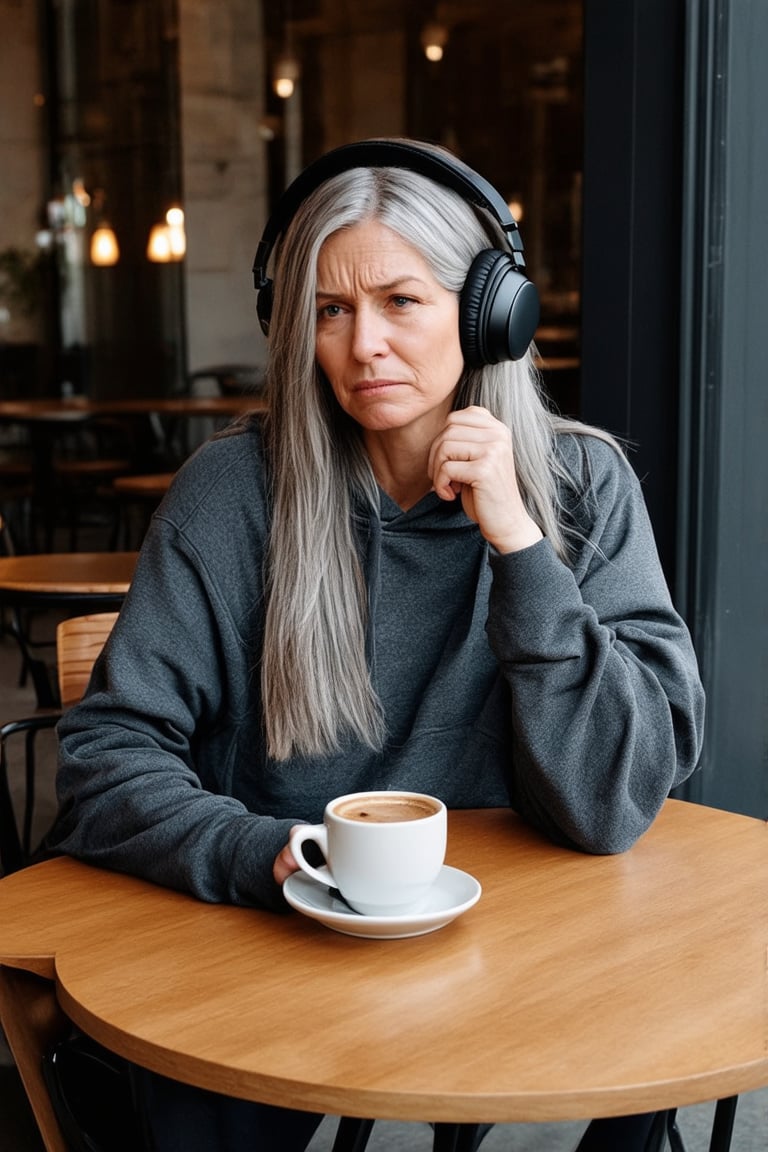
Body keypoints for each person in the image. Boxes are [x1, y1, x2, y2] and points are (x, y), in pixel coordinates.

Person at [52, 138, 705, 1152]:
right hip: (271, 956)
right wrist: (264, 855)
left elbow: (614, 801)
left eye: (402, 301)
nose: (364, 347)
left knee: (634, 1091)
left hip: (528, 960)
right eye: (330, 309)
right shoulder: (234, 496)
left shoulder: (583, 489)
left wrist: (523, 549)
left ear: (490, 314)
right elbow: (103, 757)